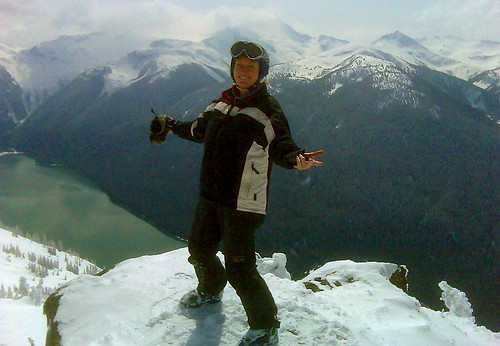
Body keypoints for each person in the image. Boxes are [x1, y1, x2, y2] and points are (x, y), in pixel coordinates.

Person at [149, 40, 324, 345]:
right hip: (212, 195)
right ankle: (210, 288)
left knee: (240, 268)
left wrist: (296, 159)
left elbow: (280, 143)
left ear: (261, 73)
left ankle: (265, 326)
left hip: (243, 203)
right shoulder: (222, 103)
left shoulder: (267, 110)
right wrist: (171, 124)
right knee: (199, 248)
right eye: (239, 66)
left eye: (250, 67)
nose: (243, 71)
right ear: (232, 69)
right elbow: (198, 130)